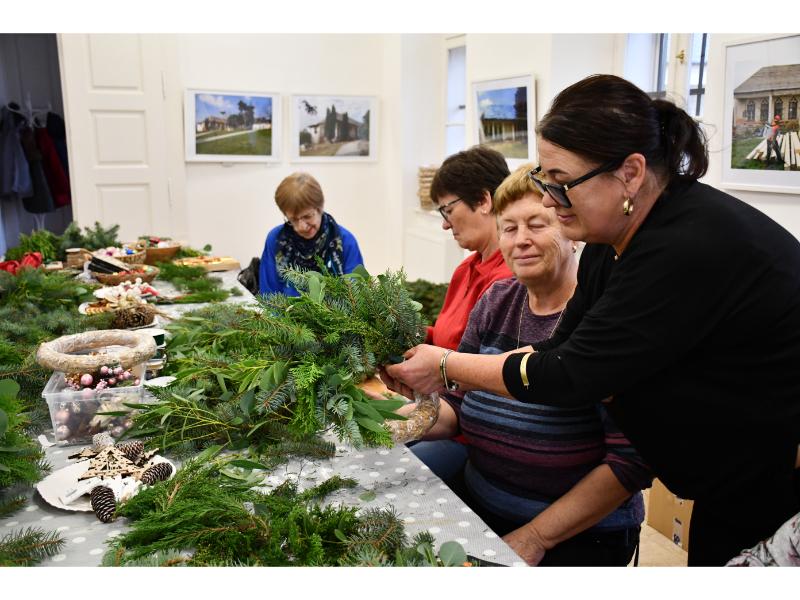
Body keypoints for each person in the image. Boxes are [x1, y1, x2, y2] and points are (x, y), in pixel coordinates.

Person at [386, 74, 800, 566]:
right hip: (728, 475)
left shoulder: (685, 247)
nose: (547, 198)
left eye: (561, 183)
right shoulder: (612, 241)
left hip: (775, 474)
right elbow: (560, 350)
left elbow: (570, 375)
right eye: (545, 180)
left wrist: (448, 365)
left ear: (630, 173)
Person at [384, 165, 651, 566]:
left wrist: (536, 536)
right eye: (508, 228)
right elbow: (458, 403)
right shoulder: (497, 300)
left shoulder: (605, 316)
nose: (521, 239)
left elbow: (629, 462)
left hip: (575, 535)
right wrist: (395, 420)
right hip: (481, 505)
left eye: (537, 225)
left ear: (572, 231)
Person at [399, 146, 513, 481]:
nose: (445, 225)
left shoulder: (507, 283)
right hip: (442, 409)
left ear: (484, 200)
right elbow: (446, 340)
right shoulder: (467, 269)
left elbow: (481, 376)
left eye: (448, 210)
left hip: (465, 431)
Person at [259, 172, 364, 296]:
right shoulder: (275, 240)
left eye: (307, 216)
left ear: (320, 207)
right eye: (293, 219)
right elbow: (269, 295)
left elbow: (357, 296)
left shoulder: (345, 242)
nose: (301, 227)